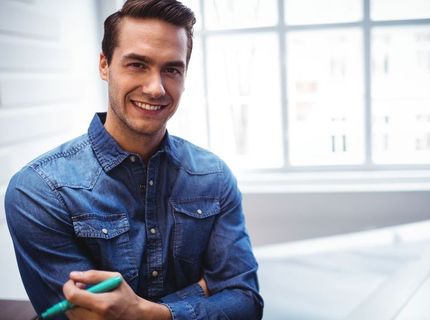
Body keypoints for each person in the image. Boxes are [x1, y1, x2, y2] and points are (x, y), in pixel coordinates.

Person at [5, 0, 263, 319]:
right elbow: (86, 316)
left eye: (171, 69)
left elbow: (247, 304)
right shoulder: (38, 190)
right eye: (137, 64)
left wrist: (142, 312)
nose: (156, 88)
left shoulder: (213, 176)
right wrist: (202, 290)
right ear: (104, 65)